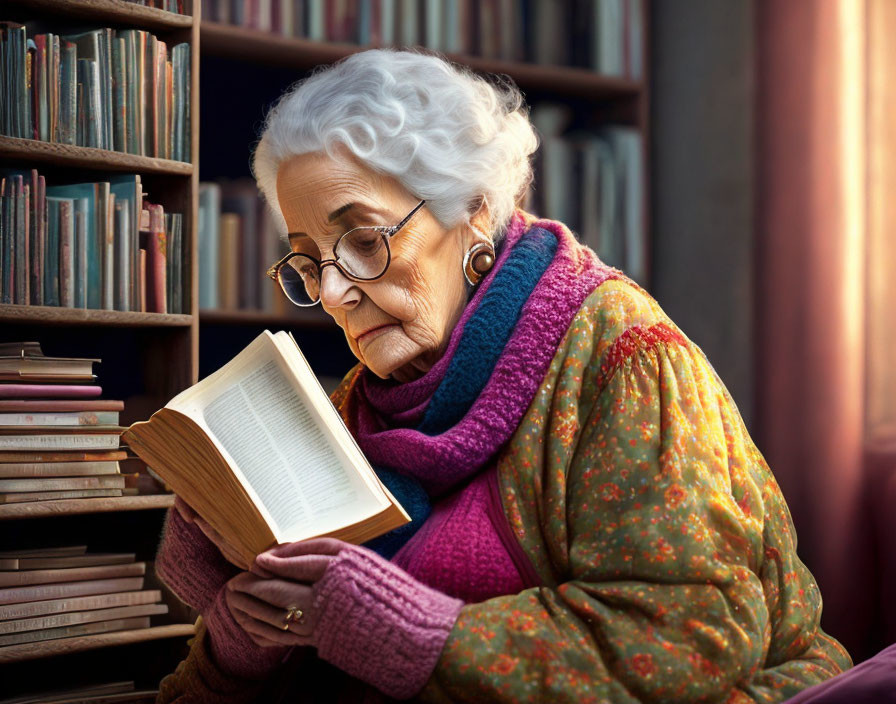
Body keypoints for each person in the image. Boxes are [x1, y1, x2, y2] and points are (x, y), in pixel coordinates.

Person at [153, 49, 852, 703]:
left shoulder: (626, 355)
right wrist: (241, 639)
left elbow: (692, 639)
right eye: (310, 263)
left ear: (473, 210)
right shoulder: (354, 405)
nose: (335, 294)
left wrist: (418, 636)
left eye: (364, 242)